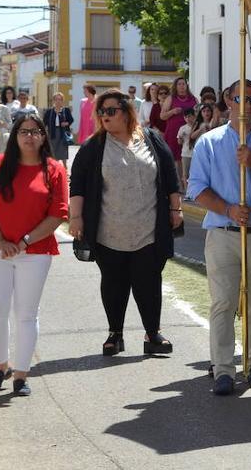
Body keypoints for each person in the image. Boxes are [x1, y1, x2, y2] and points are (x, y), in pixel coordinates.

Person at [69, 90, 181, 357]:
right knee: (113, 282)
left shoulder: (151, 138)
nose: (104, 117)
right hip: (109, 231)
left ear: (126, 111)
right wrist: (76, 217)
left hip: (148, 229)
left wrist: (175, 208)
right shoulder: (94, 146)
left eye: (110, 111)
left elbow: (169, 175)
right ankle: (114, 335)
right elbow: (78, 183)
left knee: (149, 282)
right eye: (101, 112)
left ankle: (153, 334)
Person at [188, 79, 251, 394]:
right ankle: (224, 368)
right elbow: (197, 188)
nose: (250, 106)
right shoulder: (209, 142)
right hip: (223, 233)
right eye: (244, 99)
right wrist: (228, 209)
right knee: (224, 301)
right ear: (229, 101)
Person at [0, 112, 69, 396]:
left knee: (26, 314)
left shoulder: (54, 170)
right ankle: (0, 365)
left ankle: (21, 373)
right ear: (15, 136)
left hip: (36, 251)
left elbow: (57, 215)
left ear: (43, 137)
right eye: (24, 131)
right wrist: (1, 241)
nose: (30, 136)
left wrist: (24, 242)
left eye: (35, 131)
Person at [162, 76, 197, 166]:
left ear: (187, 86)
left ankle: (186, 179)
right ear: (176, 86)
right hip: (174, 133)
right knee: (174, 160)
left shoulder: (193, 99)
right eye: (179, 84)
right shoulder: (171, 98)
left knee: (190, 158)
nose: (182, 86)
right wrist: (172, 111)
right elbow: (162, 116)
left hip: (190, 132)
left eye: (183, 84)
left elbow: (198, 114)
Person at [43, 92, 74, 163]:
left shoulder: (66, 110)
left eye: (60, 99)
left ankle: (65, 167)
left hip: (63, 133)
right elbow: (44, 122)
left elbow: (71, 120)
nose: (58, 101)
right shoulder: (49, 111)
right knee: (53, 150)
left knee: (63, 150)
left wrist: (66, 123)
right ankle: (55, 166)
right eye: (56, 99)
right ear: (53, 101)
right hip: (52, 133)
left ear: (62, 101)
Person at [177, 107, 198, 190]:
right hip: (186, 153)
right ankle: (187, 192)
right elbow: (179, 142)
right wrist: (181, 137)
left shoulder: (198, 126)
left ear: (194, 116)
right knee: (185, 174)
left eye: (189, 116)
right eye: (185, 117)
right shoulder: (182, 128)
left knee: (196, 174)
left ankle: (195, 191)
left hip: (196, 153)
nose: (187, 119)